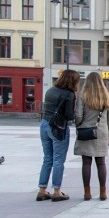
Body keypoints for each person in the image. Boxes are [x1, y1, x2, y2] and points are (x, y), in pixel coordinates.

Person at [36, 69, 80, 202]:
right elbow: (69, 115)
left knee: (47, 158)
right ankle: (57, 191)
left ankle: (42, 190)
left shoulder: (50, 90)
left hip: (44, 124)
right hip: (58, 127)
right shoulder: (69, 94)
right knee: (58, 160)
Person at [74, 72, 109, 201]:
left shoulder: (83, 95)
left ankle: (87, 192)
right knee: (101, 163)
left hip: (86, 131)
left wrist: (79, 125)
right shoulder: (106, 96)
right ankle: (103, 192)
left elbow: (78, 115)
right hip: (101, 132)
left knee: (86, 162)